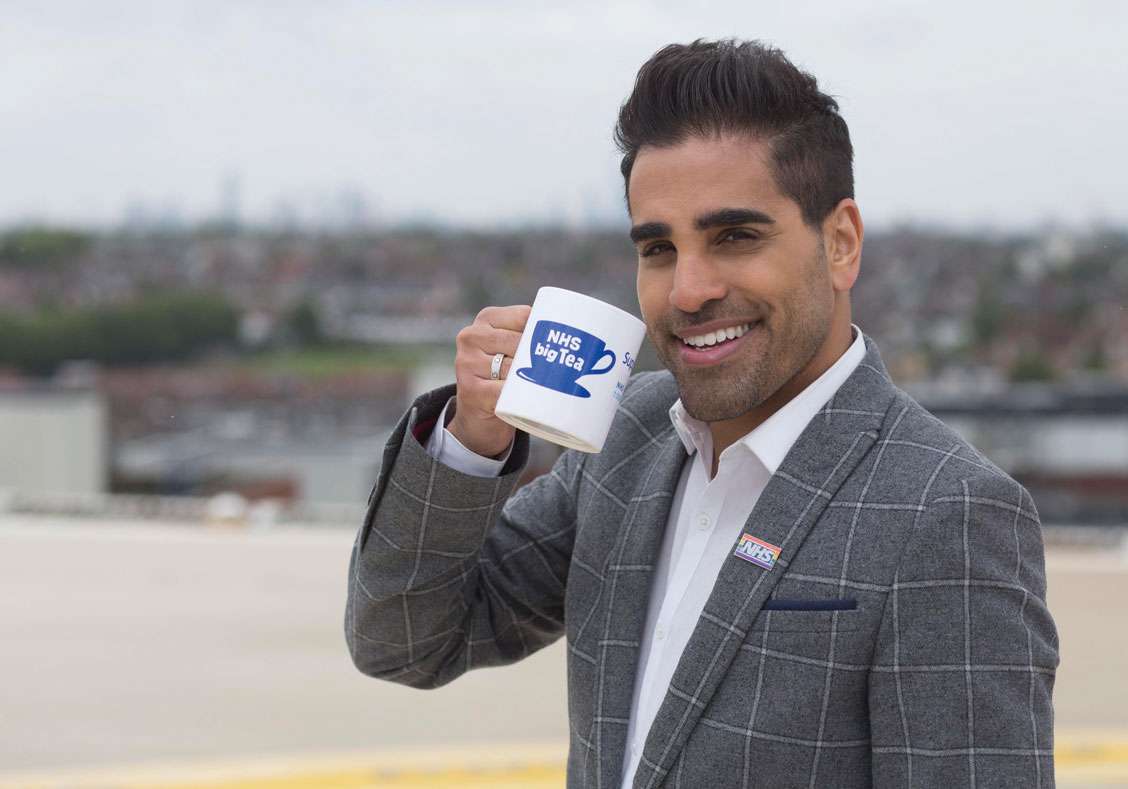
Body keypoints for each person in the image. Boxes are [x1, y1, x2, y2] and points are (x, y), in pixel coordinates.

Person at [346, 38, 1059, 788]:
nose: (688, 290)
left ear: (841, 243)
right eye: (659, 248)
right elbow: (404, 641)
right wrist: (471, 441)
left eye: (736, 237)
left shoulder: (949, 513)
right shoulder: (625, 440)